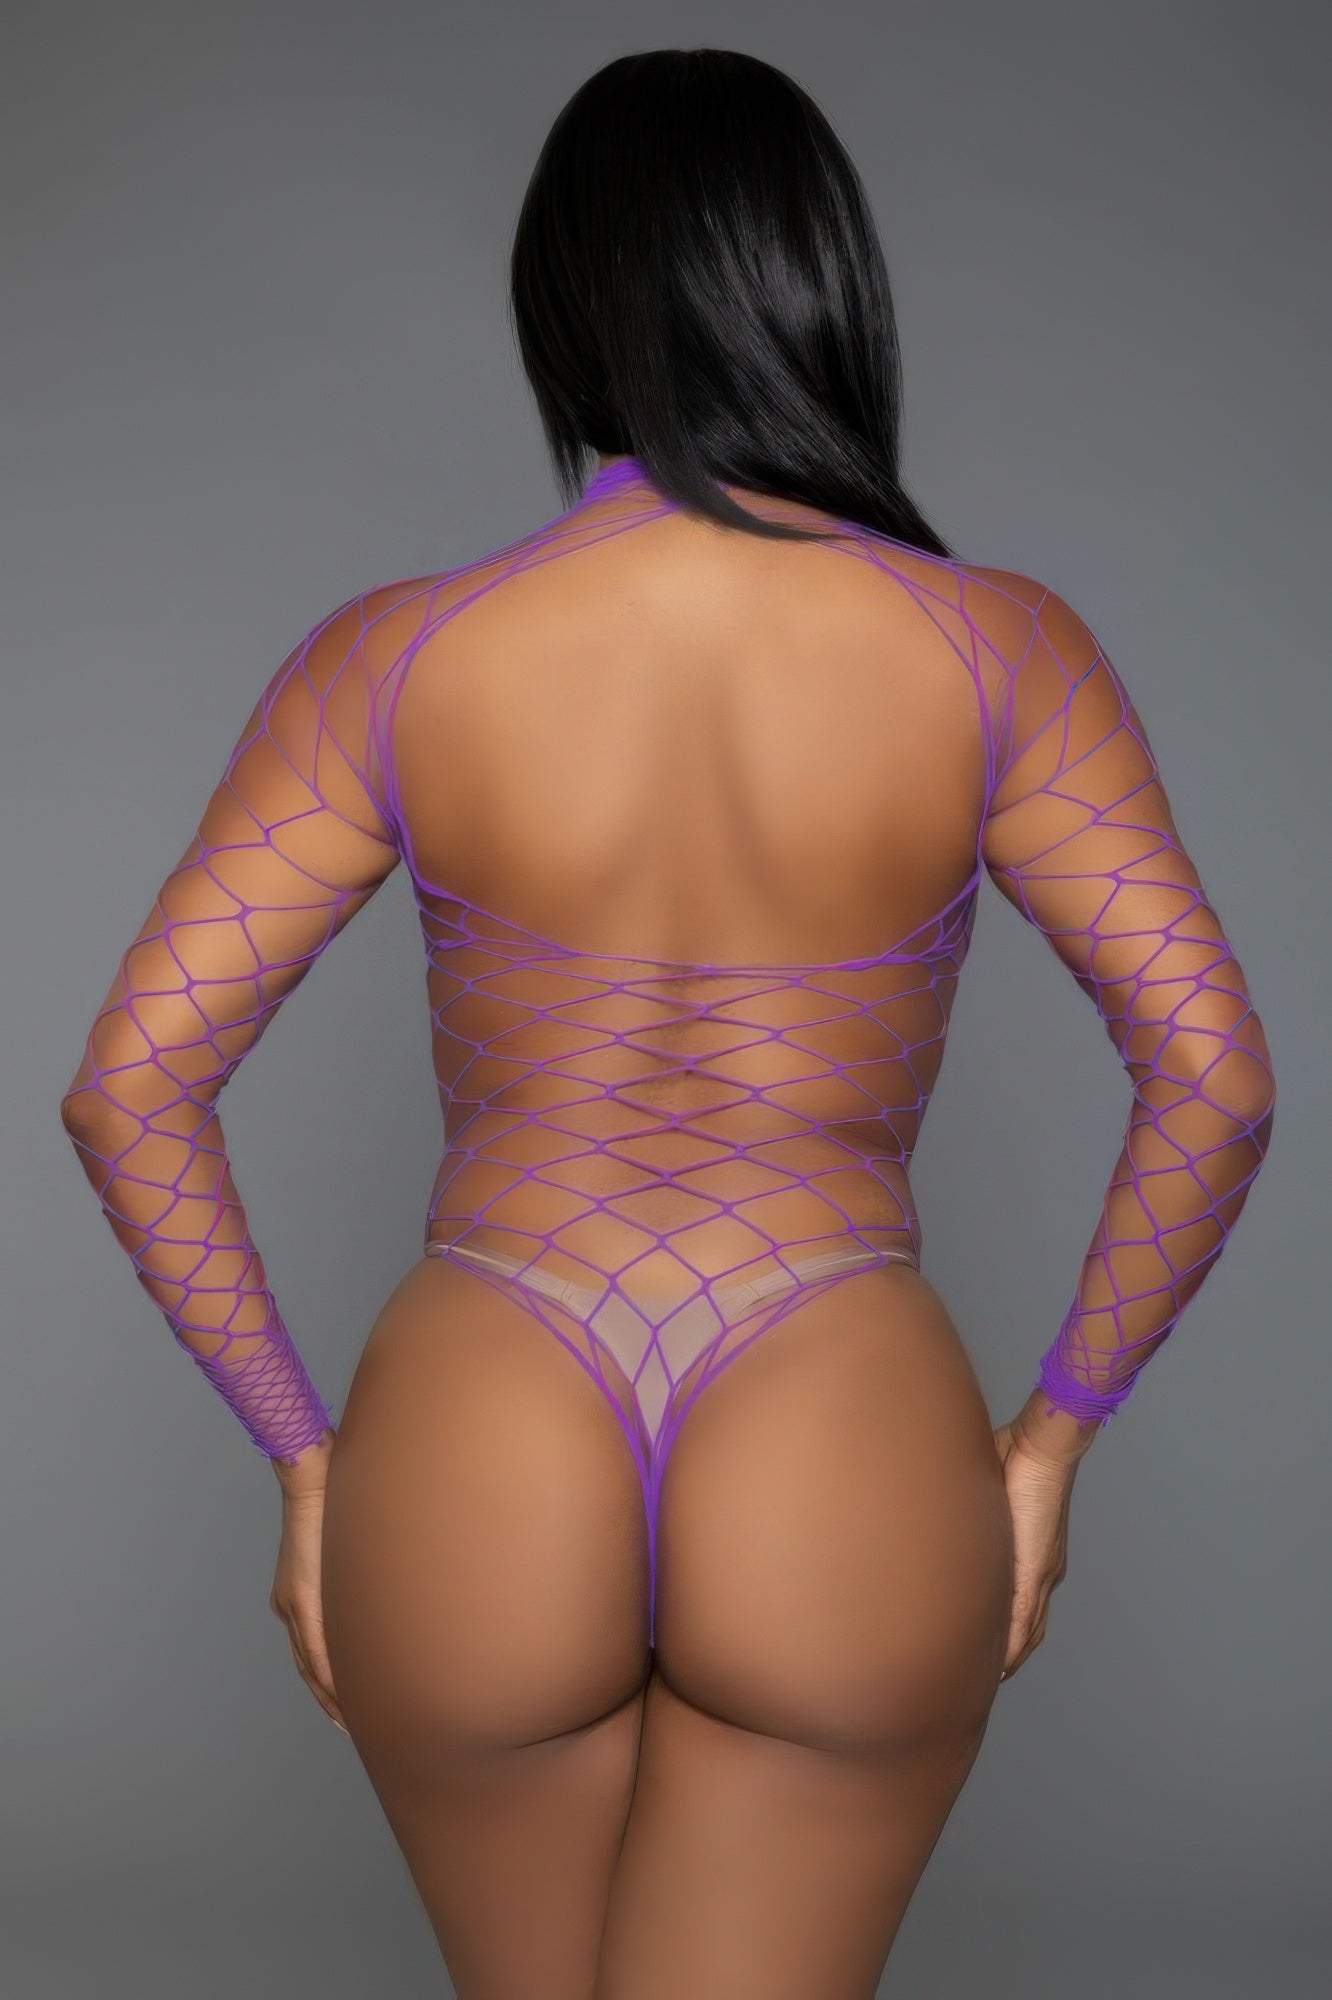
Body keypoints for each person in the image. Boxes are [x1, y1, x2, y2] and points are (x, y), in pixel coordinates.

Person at [58, 46, 1275, 2000]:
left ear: (562, 308)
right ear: (824, 288)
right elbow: (1215, 1078)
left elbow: (130, 1090)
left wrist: (304, 1460)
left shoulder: (397, 655)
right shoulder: (1000, 650)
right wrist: (1058, 1435)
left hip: (485, 1414)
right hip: (833, 1403)